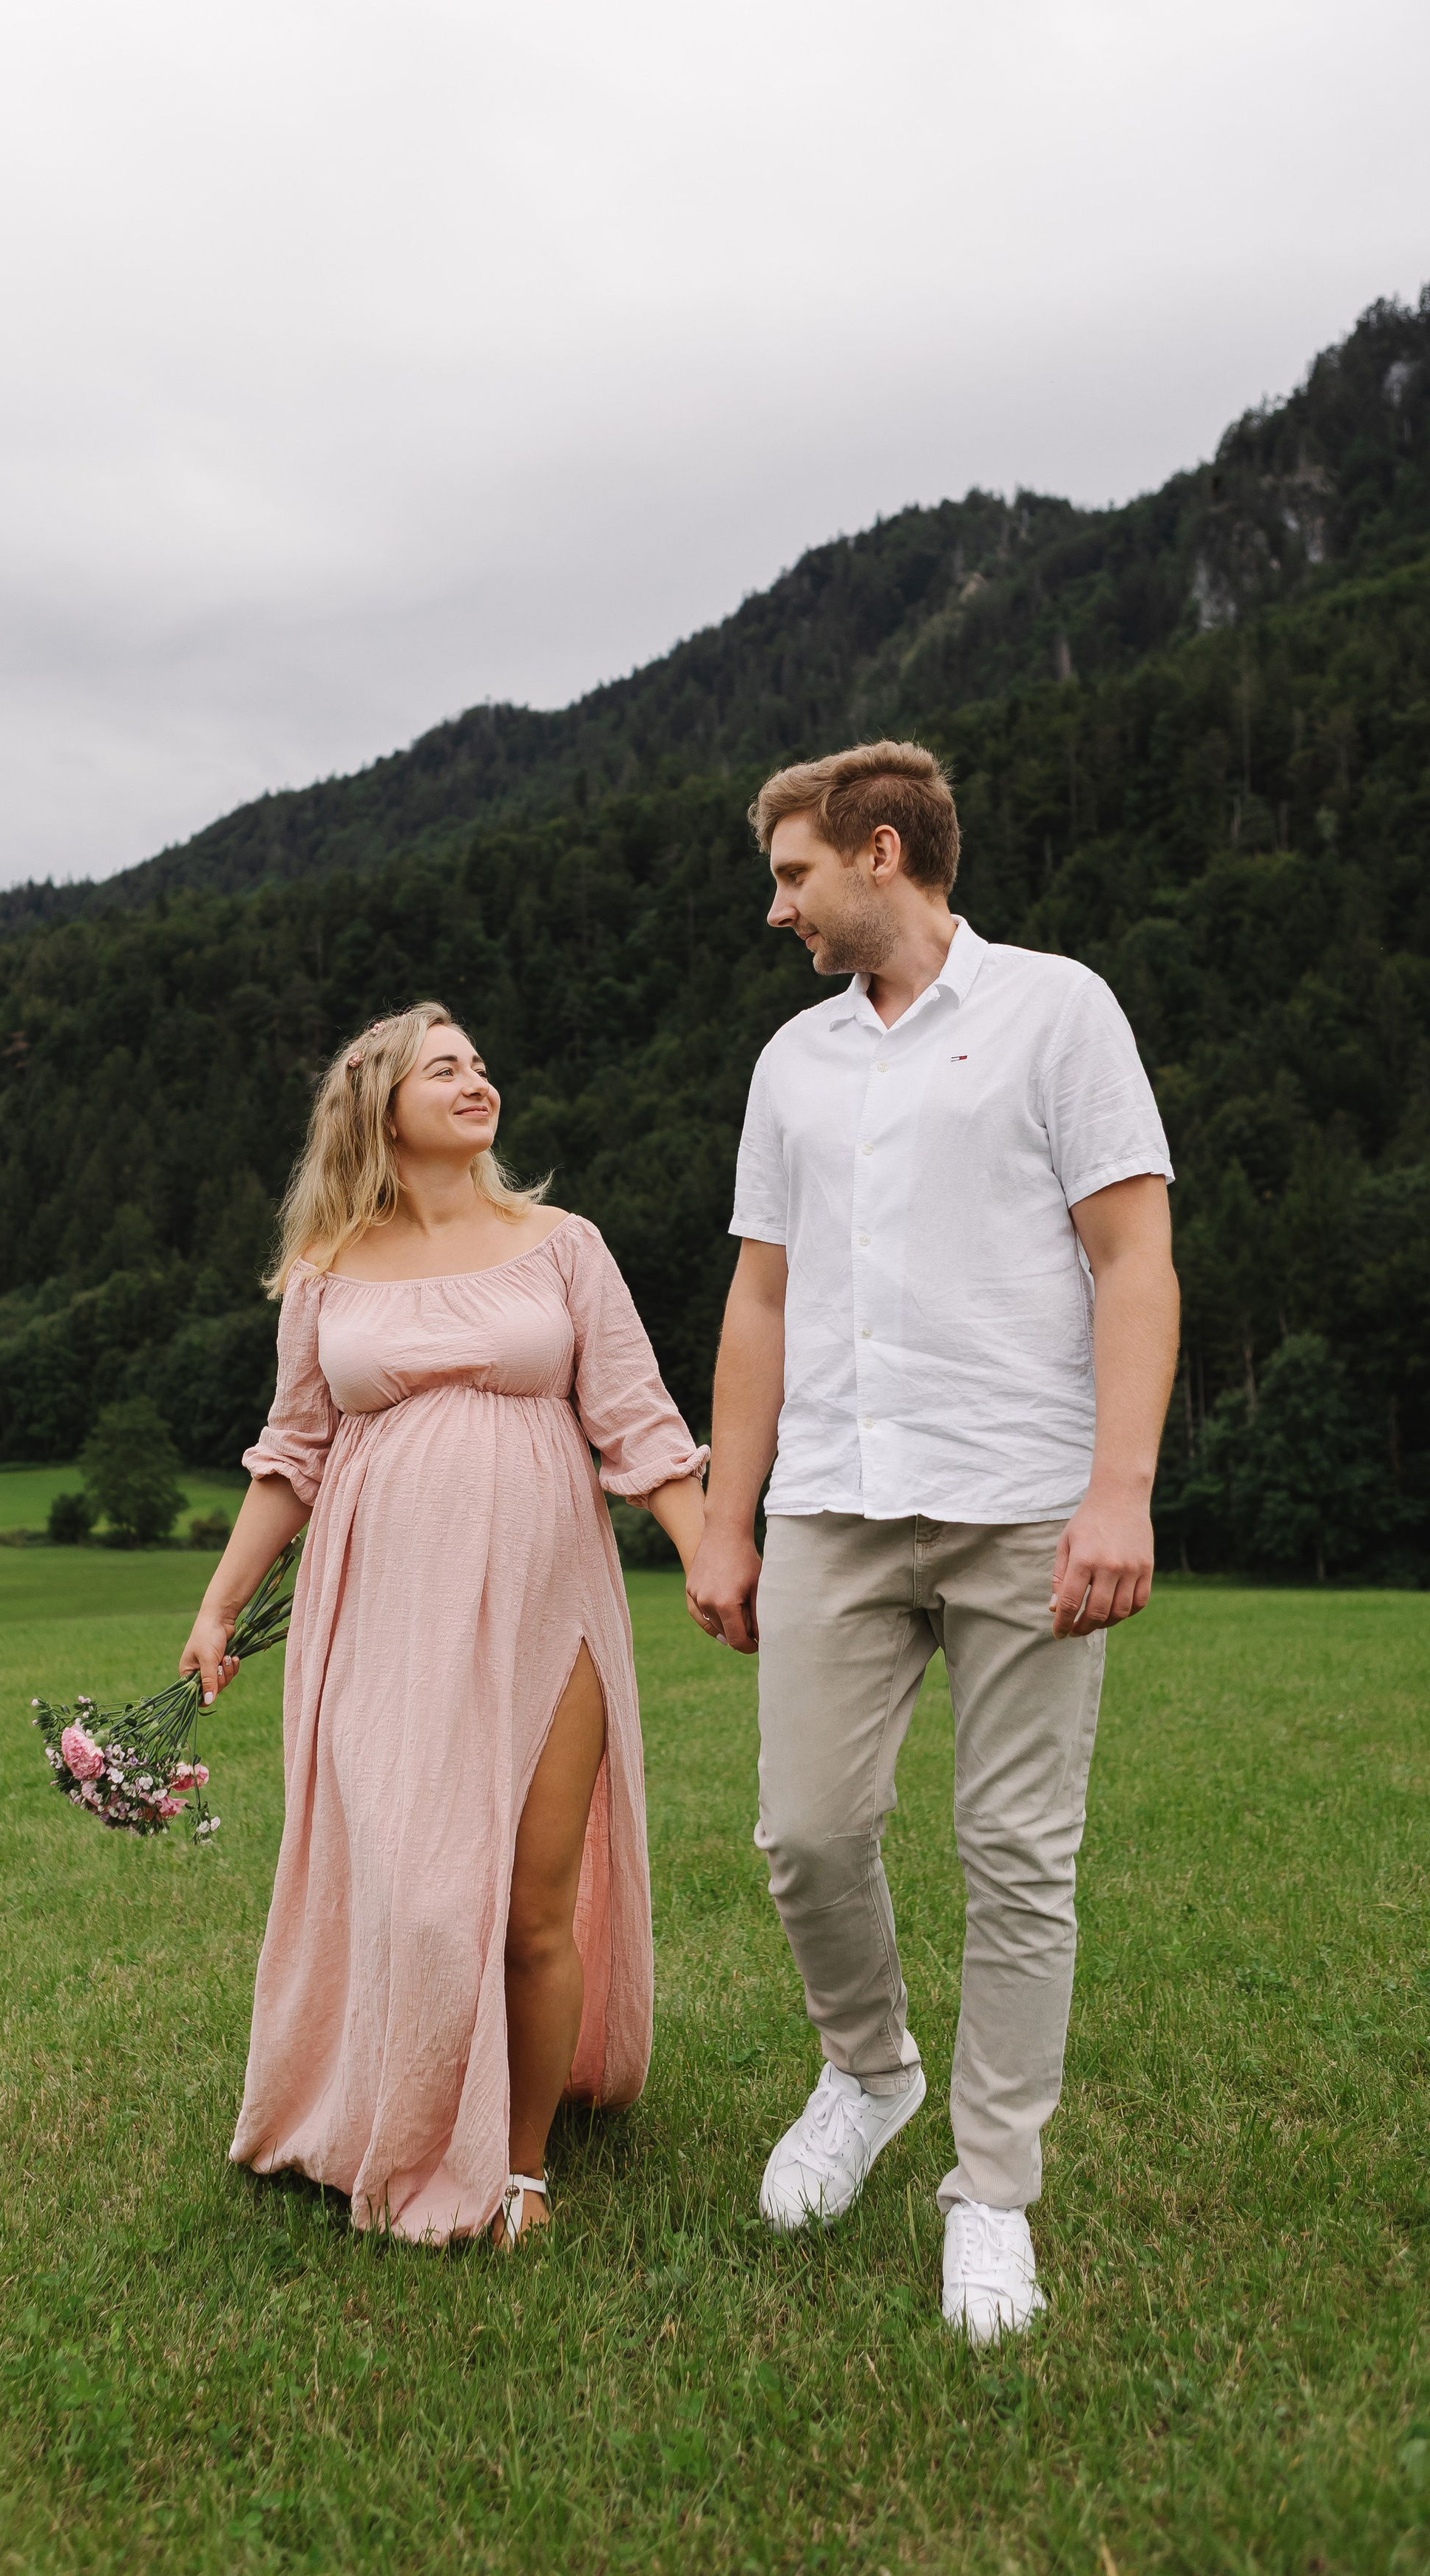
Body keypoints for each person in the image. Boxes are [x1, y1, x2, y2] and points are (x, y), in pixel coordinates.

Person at [685, 741, 1179, 2342]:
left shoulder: (1057, 1011)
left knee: (1018, 1859)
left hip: (1025, 1501)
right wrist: (722, 1514)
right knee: (805, 1833)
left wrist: (1117, 1489)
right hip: (830, 1497)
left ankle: (992, 2196)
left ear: (878, 851)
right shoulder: (788, 1064)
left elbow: (1133, 1258)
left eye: (791, 876)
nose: (780, 911)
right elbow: (757, 1300)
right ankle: (868, 2070)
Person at [183, 999, 708, 2246]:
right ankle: (395, 2109)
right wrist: (216, 1608)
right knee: (416, 1892)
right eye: (445, 1069)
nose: (478, 1081)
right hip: (381, 1618)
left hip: (546, 1602)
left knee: (534, 1897)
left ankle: (518, 2166)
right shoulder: (325, 1275)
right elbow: (291, 1456)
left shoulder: (563, 1245)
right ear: (379, 1109)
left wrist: (706, 1559)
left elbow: (638, 1421)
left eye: (482, 1062)